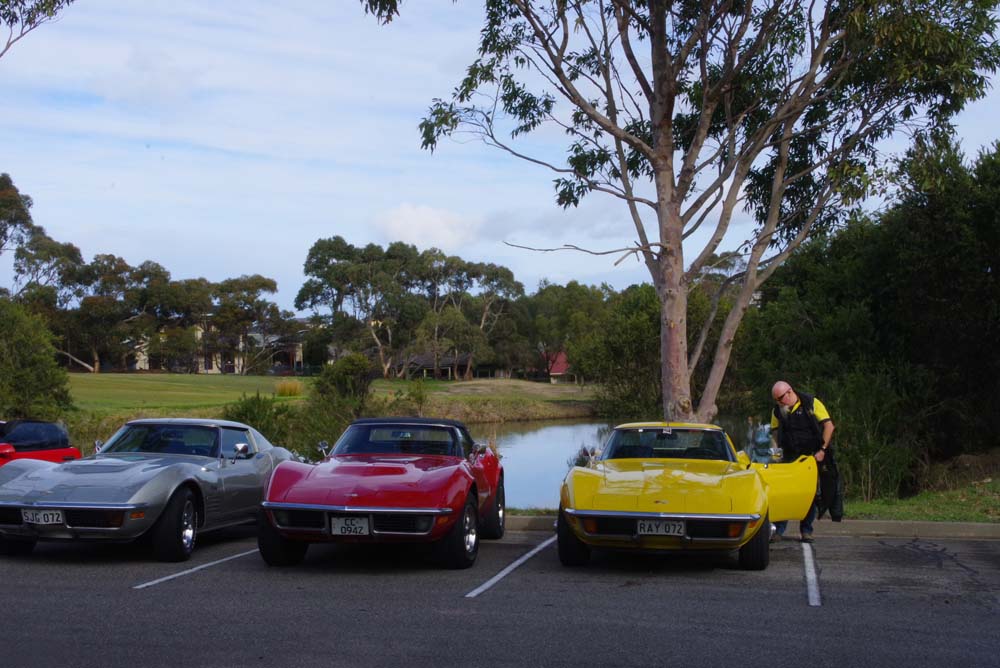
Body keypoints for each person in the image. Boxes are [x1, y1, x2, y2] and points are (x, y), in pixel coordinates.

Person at [769, 381, 835, 543]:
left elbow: (829, 426)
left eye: (780, 398)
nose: (779, 402)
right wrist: (776, 456)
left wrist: (822, 450)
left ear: (790, 392)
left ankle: (806, 530)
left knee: (809, 494)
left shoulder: (811, 403)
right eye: (776, 400)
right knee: (783, 493)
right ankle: (778, 530)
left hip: (810, 457)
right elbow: (775, 434)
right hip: (789, 457)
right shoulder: (777, 410)